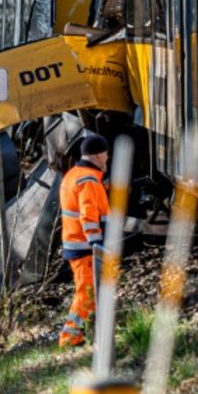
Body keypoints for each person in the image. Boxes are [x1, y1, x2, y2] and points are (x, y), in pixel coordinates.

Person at [58, 133, 111, 347]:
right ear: (98, 156)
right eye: (106, 154)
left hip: (75, 242)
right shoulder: (88, 180)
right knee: (87, 292)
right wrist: (96, 242)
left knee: (87, 290)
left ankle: (79, 334)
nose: (107, 157)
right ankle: (69, 337)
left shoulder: (74, 174)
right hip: (84, 246)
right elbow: (88, 214)